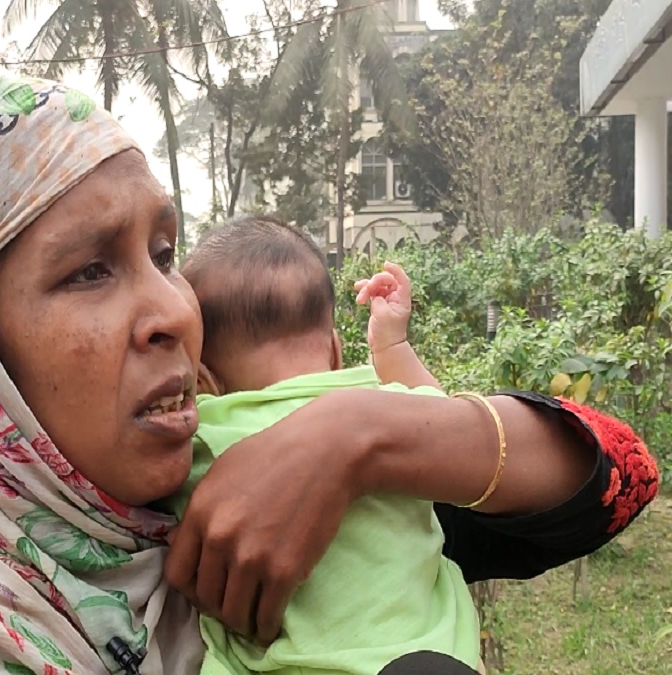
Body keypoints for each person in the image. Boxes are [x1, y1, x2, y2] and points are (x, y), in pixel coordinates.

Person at [0, 76, 660, 675]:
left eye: (163, 253)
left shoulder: (292, 496)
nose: (175, 312)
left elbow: (623, 474)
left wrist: (356, 436)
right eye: (87, 271)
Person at [168, 215, 480, 674]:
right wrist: (392, 347)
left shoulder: (206, 435)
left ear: (204, 381)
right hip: (430, 652)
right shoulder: (392, 417)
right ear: (335, 351)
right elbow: (445, 415)